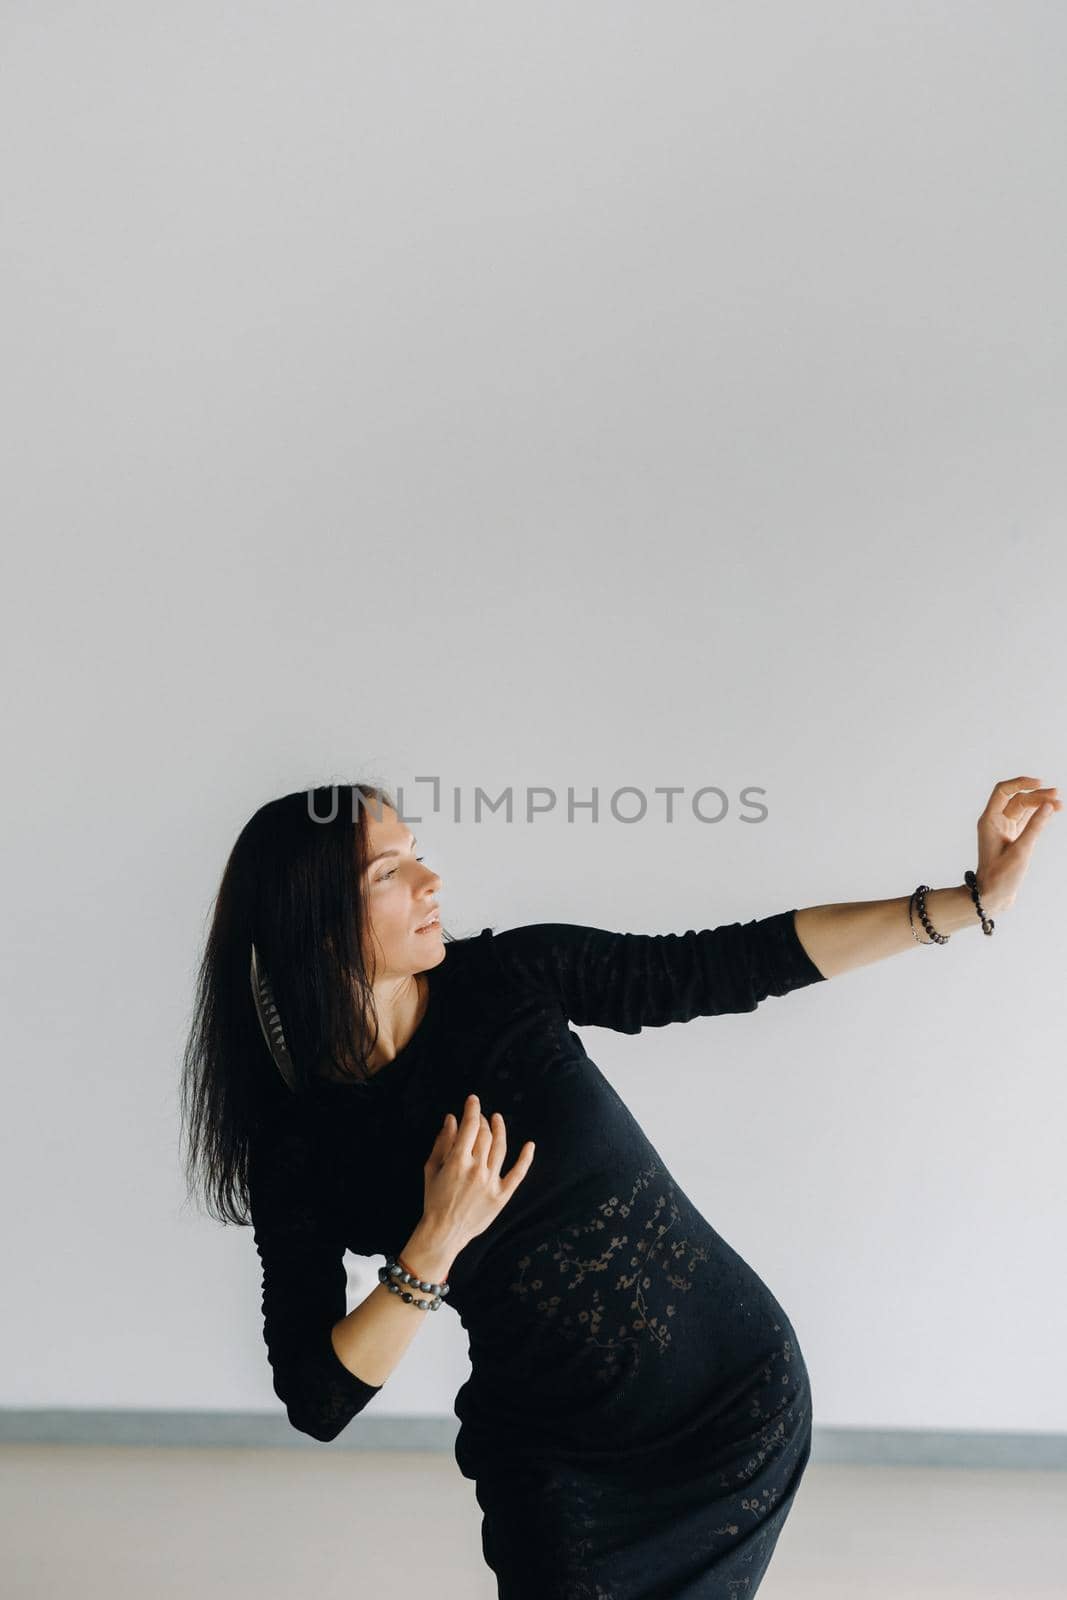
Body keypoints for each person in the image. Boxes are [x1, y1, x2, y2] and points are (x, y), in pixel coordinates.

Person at [180, 775, 1058, 1598]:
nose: (429, 878)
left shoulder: (508, 980)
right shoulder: (301, 1146)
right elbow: (317, 1397)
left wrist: (974, 901)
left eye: (417, 850)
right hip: (557, 1466)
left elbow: (726, 966)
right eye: (390, 869)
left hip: (731, 1408)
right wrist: (433, 1245)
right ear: (318, 924)